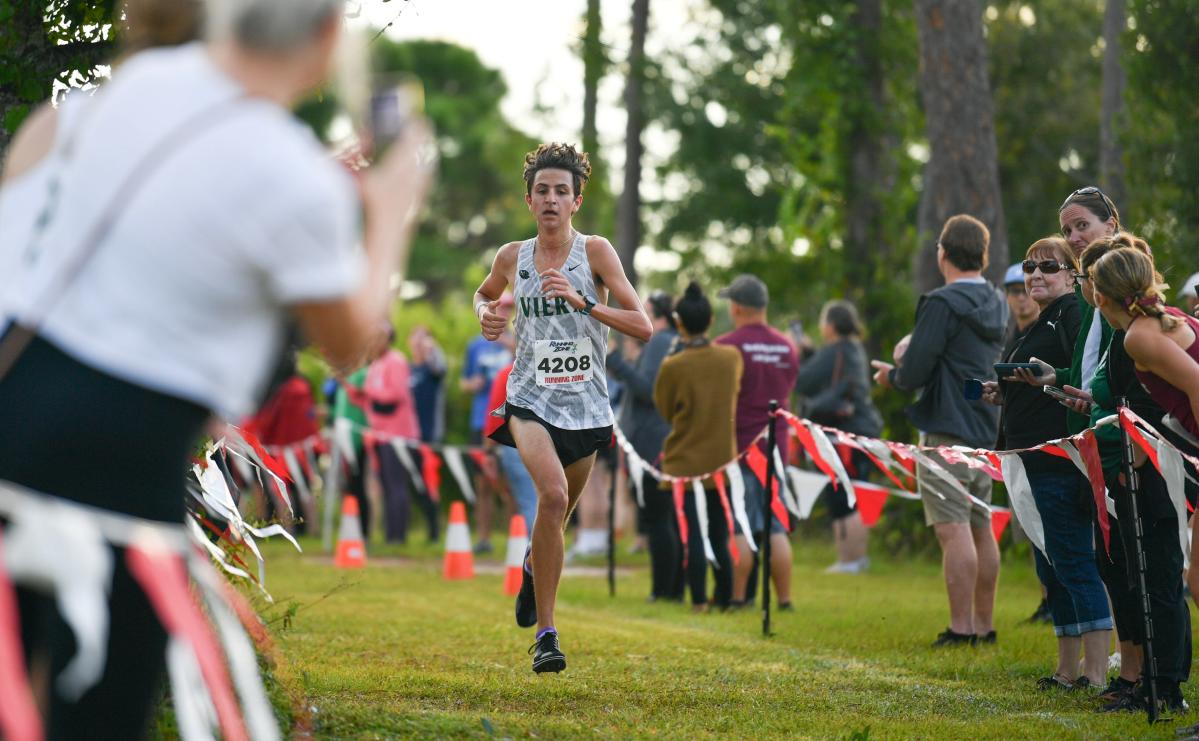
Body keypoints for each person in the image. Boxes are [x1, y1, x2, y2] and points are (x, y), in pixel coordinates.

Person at [0, 0, 433, 735]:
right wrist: (390, 214)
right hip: (117, 481)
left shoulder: (99, 102)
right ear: (328, 38)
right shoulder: (293, 179)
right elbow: (352, 339)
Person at [475, 142, 651, 673]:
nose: (551, 199)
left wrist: (585, 303)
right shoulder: (512, 256)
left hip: (586, 405)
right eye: (542, 191)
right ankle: (547, 636)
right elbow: (484, 294)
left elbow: (640, 324)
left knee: (558, 516)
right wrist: (486, 313)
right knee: (550, 496)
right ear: (529, 200)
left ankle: (533, 564)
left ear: (576, 200)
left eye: (562, 191)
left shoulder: (594, 253)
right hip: (528, 397)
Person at [983, 238, 1112, 690]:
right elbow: (1044, 382)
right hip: (1029, 456)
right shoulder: (1043, 320)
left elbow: (1091, 379)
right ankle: (1065, 668)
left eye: (1048, 267)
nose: (1035, 274)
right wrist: (1007, 389)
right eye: (1028, 266)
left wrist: (1050, 381)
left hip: (1059, 458)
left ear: (1073, 274)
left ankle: (1095, 673)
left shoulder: (1075, 313)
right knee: (1050, 565)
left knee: (1074, 561)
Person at [872, 214, 1006, 647]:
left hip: (947, 429)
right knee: (981, 524)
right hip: (986, 427)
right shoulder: (998, 301)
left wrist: (891, 375)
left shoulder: (942, 303)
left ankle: (961, 629)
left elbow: (914, 372)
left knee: (953, 528)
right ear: (983, 256)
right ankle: (984, 626)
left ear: (942, 254)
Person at [1077, 235, 1191, 712]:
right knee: (1166, 577)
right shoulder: (1151, 325)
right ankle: (1156, 681)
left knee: (1162, 577)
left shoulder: (1138, 334)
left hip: (1168, 467)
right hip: (1166, 457)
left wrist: (1149, 449)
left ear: (1098, 296)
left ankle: (1164, 686)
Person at [654, 283, 742, 612]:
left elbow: (664, 409)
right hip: (722, 459)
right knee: (720, 533)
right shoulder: (731, 358)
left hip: (685, 461)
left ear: (679, 324)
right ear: (709, 321)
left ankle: (699, 600)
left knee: (693, 535)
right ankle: (726, 596)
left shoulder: (673, 365)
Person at [714, 274, 799, 609]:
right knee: (776, 525)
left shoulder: (727, 347)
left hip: (742, 449)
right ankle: (785, 600)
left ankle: (738, 597)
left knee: (741, 524)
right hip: (777, 449)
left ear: (736, 307)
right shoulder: (787, 347)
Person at [795, 300, 883, 574]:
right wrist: (811, 353)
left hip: (846, 435)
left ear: (830, 326)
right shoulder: (854, 348)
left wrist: (802, 355)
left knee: (843, 497)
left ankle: (849, 560)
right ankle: (856, 559)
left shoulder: (835, 350)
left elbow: (803, 381)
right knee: (856, 492)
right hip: (863, 431)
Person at [607, 291, 683, 601]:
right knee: (668, 519)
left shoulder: (659, 341)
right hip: (663, 438)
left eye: (645, 311)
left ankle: (664, 591)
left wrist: (616, 363)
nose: (639, 316)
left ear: (658, 316)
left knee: (658, 520)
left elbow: (648, 391)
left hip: (654, 442)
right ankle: (673, 589)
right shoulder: (671, 341)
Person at [346, 329, 421, 543]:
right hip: (380, 435)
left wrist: (368, 393)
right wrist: (356, 394)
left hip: (398, 435)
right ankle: (391, 535)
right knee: (386, 485)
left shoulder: (396, 361)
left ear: (387, 339)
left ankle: (398, 536)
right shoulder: (375, 365)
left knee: (396, 485)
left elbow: (395, 396)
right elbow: (373, 403)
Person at [461, 294, 516, 554]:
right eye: (500, 308)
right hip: (480, 420)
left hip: (511, 421)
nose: (503, 313)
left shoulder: (519, 342)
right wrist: (474, 385)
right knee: (482, 483)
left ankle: (515, 537)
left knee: (512, 482)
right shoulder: (475, 346)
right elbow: (464, 381)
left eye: (509, 309)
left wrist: (509, 345)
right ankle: (483, 538)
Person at [484, 361, 538, 532]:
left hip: (515, 443)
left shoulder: (507, 372)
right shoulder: (550, 371)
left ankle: (534, 551)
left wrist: (489, 451)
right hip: (551, 441)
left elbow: (496, 415)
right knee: (547, 499)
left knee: (527, 501)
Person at [408, 325, 447, 444]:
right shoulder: (407, 368)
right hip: (410, 432)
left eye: (423, 338)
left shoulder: (433, 368)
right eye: (416, 337)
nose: (419, 341)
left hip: (430, 433)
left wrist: (433, 350)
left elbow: (440, 368)